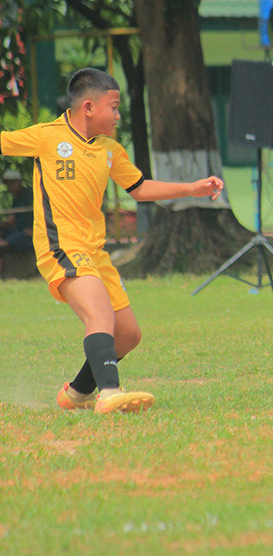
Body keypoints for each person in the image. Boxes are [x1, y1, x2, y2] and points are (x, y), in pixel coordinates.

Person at [0, 67, 225, 414]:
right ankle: (108, 393)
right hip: (61, 247)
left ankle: (76, 393)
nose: (119, 115)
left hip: (95, 252)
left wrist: (191, 188)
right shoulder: (47, 137)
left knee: (129, 335)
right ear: (88, 107)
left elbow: (140, 188)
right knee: (100, 315)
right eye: (114, 107)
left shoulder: (109, 150)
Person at [0, 168, 33, 254]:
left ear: (19, 182)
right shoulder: (16, 200)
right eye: (8, 185)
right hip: (18, 230)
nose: (9, 187)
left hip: (29, 233)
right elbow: (11, 221)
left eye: (12, 184)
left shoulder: (30, 195)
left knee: (8, 243)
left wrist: (34, 230)